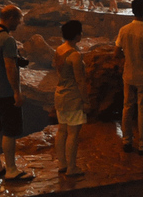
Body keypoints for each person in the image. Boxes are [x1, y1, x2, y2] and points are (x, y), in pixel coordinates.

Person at [0, 5, 32, 181]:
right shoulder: (7, 40)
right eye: (18, 19)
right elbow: (10, 67)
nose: (19, 23)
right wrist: (17, 92)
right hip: (4, 93)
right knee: (10, 131)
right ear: (11, 18)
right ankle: (11, 170)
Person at [114, 0, 143, 156]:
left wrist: (128, 55)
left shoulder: (124, 30)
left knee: (127, 107)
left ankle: (126, 141)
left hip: (128, 74)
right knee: (142, 110)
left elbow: (116, 52)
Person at [54, 20, 89, 177]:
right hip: (72, 95)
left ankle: (62, 163)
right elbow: (80, 80)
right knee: (73, 132)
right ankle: (72, 167)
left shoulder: (59, 50)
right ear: (77, 35)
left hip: (60, 93)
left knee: (61, 130)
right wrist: (86, 100)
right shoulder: (74, 55)